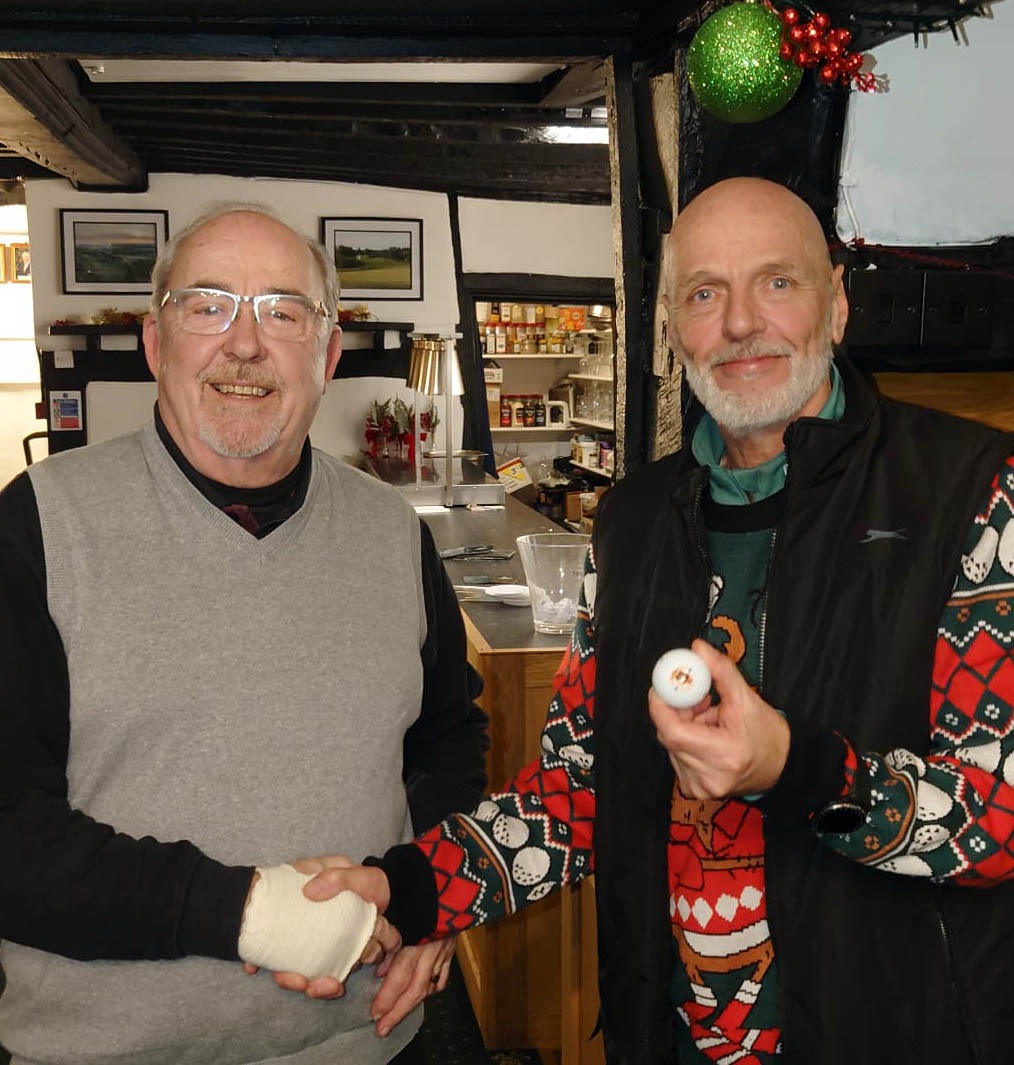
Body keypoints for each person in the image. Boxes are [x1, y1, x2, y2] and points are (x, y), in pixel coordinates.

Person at [288, 178, 1014, 1065]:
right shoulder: (632, 523)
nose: (740, 322)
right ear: (671, 329)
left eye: (777, 282)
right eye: (705, 293)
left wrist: (793, 767)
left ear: (836, 306)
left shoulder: (973, 493)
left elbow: (1000, 818)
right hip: (666, 1037)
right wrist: (407, 889)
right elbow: (577, 789)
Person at [0, 203, 488, 1065]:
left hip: (368, 1043)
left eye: (284, 312)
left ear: (327, 357)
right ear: (156, 342)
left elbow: (448, 740)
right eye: (208, 305)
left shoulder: (392, 534)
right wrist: (247, 912)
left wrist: (433, 895)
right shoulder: (39, 526)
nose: (245, 343)